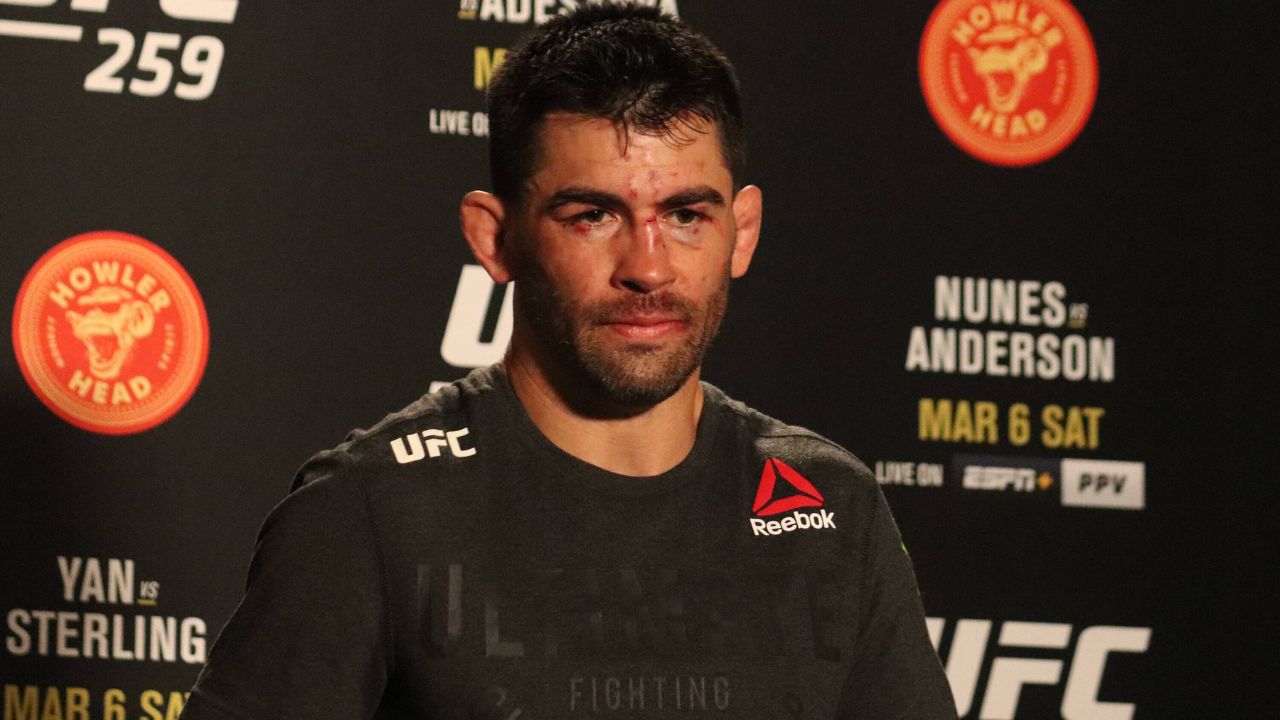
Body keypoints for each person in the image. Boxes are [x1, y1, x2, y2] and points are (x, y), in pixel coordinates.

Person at [180, 5, 957, 719]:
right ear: (497, 238)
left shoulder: (832, 510)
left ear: (742, 230)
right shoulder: (372, 514)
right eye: (592, 216)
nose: (647, 268)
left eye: (686, 215)